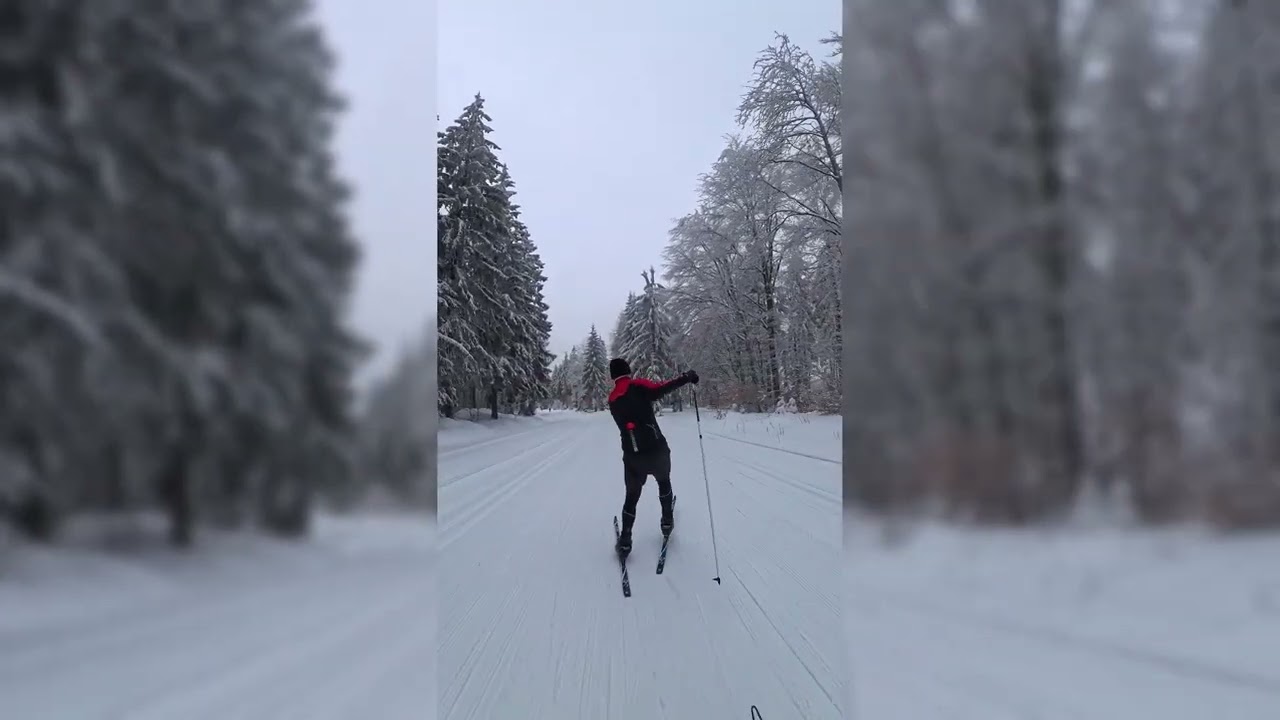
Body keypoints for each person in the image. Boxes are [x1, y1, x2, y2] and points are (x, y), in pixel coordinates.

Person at [606, 357, 699, 558]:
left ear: (613, 376)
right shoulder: (638, 385)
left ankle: (625, 541)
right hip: (657, 450)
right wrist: (686, 378)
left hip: (633, 456)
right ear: (628, 370)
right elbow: (663, 388)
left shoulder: (613, 399)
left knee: (631, 498)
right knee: (664, 483)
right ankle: (666, 523)